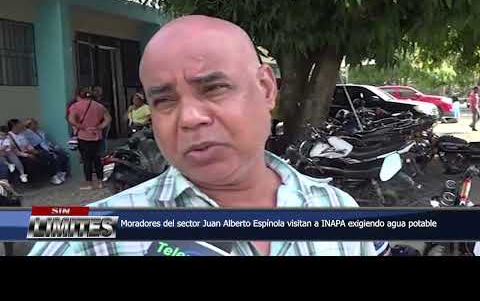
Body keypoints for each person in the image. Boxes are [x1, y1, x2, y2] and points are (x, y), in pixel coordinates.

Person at [29, 15, 376, 256]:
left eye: (214, 88)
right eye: (164, 100)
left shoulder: (337, 210)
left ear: (266, 88)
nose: (190, 118)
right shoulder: (83, 238)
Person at [68, 87, 111, 190]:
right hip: (97, 135)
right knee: (97, 159)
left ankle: (89, 183)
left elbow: (71, 120)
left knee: (86, 160)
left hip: (83, 136)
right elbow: (108, 119)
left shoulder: (75, 106)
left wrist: (82, 127)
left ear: (80, 96)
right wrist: (99, 127)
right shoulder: (99, 106)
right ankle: (101, 182)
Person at [7, 119, 59, 184]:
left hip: (29, 151)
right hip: (19, 156)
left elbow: (28, 144)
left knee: (46, 155)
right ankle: (34, 181)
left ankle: (53, 176)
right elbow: (14, 151)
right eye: (19, 124)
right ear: (14, 126)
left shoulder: (21, 134)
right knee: (31, 162)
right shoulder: (9, 136)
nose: (21, 125)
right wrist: (27, 155)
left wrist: (34, 151)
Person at [92, 85, 111, 154]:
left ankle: (103, 154)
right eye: (95, 90)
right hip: (95, 123)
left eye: (98, 90)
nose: (97, 92)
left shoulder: (104, 101)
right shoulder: (91, 101)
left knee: (103, 138)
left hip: (104, 122)